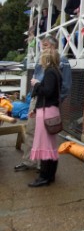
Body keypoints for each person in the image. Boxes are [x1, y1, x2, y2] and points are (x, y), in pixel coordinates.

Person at [14, 36, 72, 172]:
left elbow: (66, 86)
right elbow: (36, 79)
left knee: (46, 134)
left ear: (53, 46)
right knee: (31, 130)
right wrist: (33, 96)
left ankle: (43, 166)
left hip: (49, 102)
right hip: (37, 100)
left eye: (45, 45)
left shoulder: (63, 61)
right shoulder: (40, 61)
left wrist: (56, 101)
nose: (42, 48)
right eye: (42, 45)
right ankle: (29, 161)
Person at [28, 48, 62, 187]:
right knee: (51, 145)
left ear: (47, 59)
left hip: (46, 112)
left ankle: (44, 177)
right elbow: (51, 92)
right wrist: (35, 110)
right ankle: (50, 175)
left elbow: (46, 92)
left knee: (44, 145)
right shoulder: (57, 72)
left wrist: (36, 84)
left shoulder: (49, 72)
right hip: (51, 111)